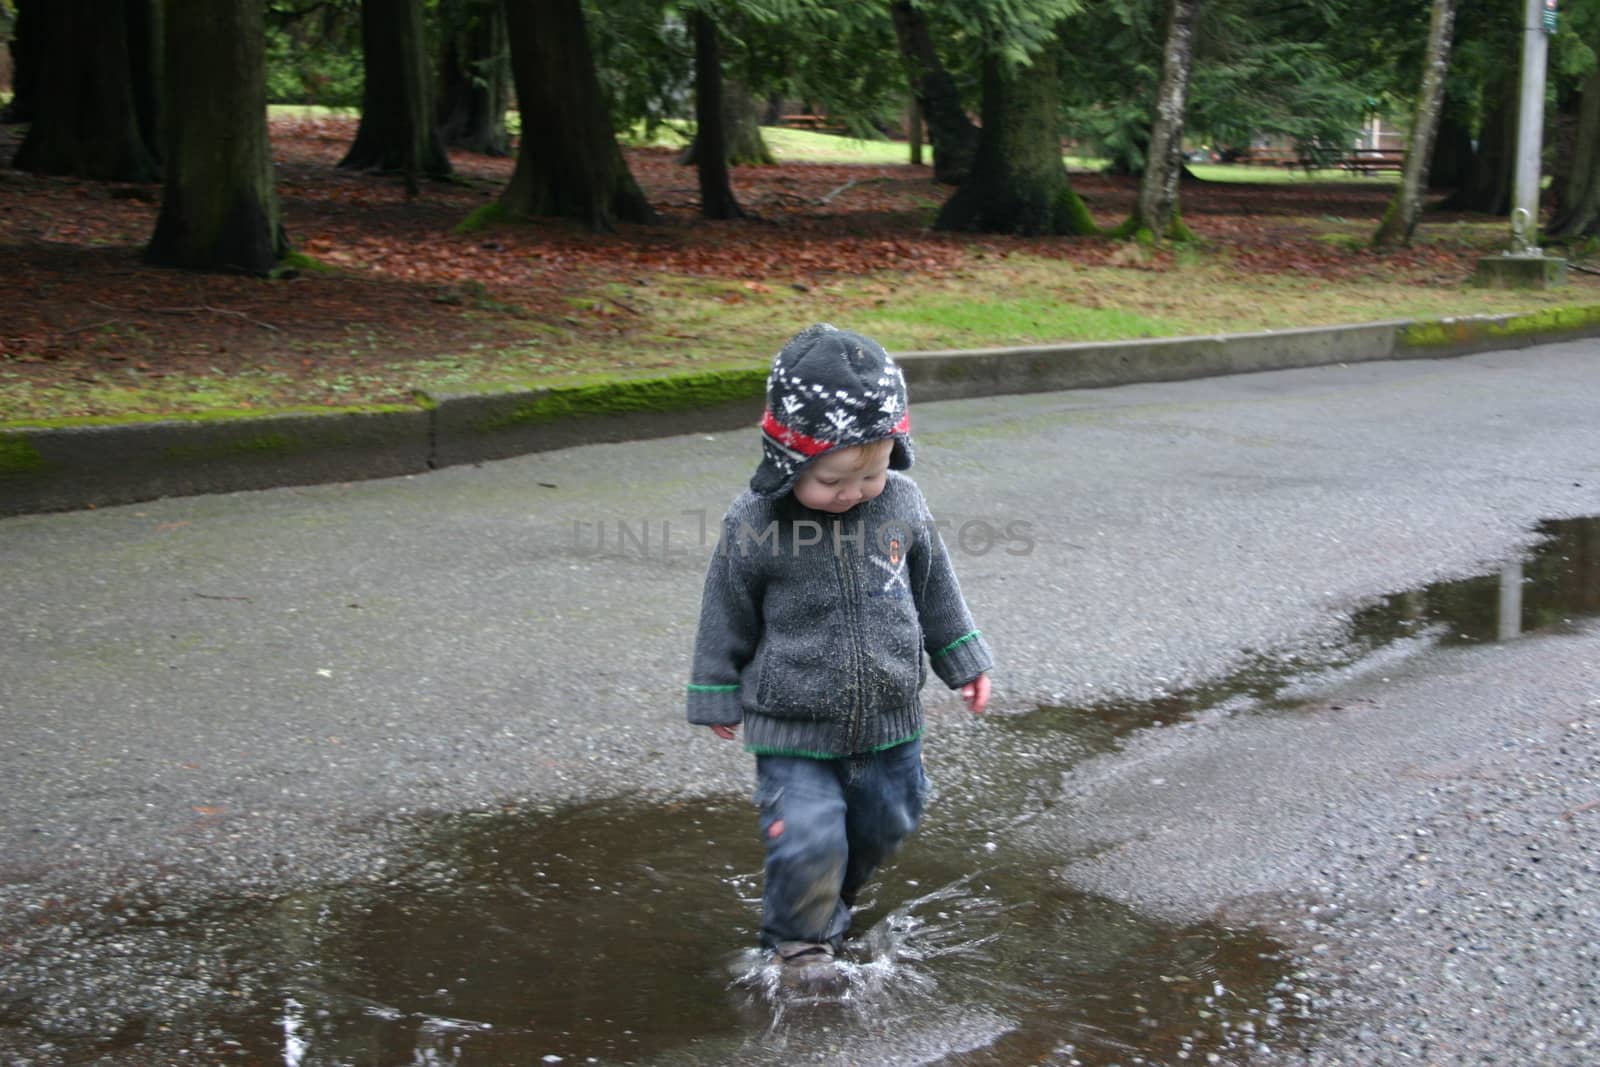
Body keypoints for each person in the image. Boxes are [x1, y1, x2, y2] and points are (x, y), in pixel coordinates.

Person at [686, 323, 993, 990]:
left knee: (888, 819)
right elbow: (726, 604)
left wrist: (963, 657)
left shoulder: (904, 504)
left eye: (872, 473)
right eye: (831, 479)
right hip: (791, 723)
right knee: (807, 835)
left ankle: (829, 899)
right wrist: (716, 686)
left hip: (890, 720)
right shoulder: (757, 521)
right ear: (788, 460)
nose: (853, 491)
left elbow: (935, 585)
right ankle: (799, 945)